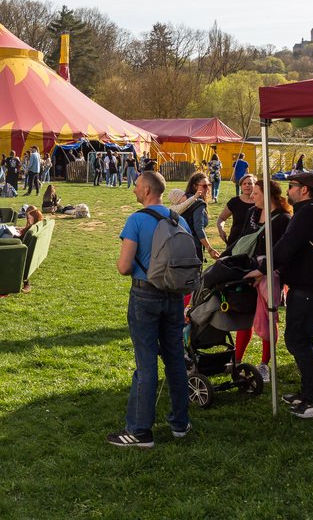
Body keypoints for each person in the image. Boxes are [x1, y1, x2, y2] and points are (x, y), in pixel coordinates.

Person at [108, 170, 192, 448]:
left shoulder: (136, 220)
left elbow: (123, 267)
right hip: (174, 295)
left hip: (145, 295)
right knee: (175, 361)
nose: (133, 190)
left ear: (146, 190)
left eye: (135, 186)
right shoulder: (178, 219)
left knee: (145, 365)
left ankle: (140, 431)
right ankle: (180, 423)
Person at [266, 172, 313, 418]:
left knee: (297, 340)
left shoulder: (310, 212)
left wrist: (262, 269)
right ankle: (309, 391)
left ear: (304, 190)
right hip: (309, 286)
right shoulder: (308, 212)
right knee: (303, 339)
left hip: (312, 288)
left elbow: (288, 244)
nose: (288, 190)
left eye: (292, 186)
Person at [231, 179, 292, 383]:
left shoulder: (283, 218)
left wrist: (266, 272)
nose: (251, 196)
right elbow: (242, 240)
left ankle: (264, 364)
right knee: (243, 316)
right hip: (248, 271)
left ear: (267, 195)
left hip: (270, 275)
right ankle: (237, 360)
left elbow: (285, 253)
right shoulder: (252, 213)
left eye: (256, 193)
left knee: (268, 319)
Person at [180, 172, 220, 262]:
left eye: (209, 185)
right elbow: (199, 228)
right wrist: (209, 248)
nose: (208, 189)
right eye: (205, 186)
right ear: (195, 186)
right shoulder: (198, 203)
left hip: (178, 244)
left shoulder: (184, 198)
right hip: (192, 247)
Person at [216, 174, 256, 251]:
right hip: (235, 240)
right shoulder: (234, 201)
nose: (247, 185)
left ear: (255, 186)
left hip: (253, 242)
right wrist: (221, 229)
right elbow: (221, 218)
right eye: (244, 184)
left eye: (250, 183)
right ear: (241, 186)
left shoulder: (260, 202)